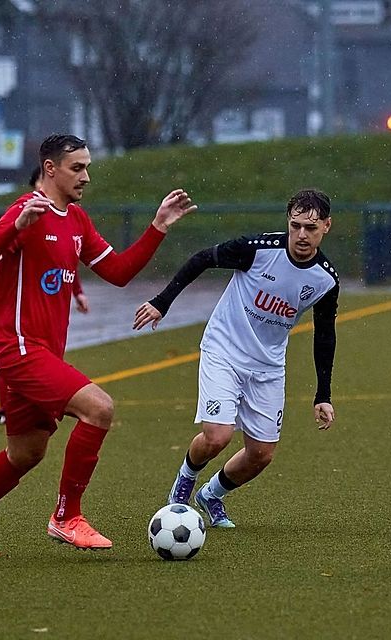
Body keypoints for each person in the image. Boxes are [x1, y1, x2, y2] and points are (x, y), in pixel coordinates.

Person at [0, 134, 196, 557]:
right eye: (77, 168)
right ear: (50, 169)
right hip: (18, 348)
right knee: (99, 408)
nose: (86, 176)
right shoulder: (26, 210)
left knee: (25, 453)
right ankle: (66, 517)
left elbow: (119, 272)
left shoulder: (76, 219)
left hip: (42, 354)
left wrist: (158, 226)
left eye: (87, 167)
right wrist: (15, 229)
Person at [133, 188, 339, 528]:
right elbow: (202, 258)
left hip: (268, 367)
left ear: (327, 226)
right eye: (296, 226)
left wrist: (323, 394)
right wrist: (162, 302)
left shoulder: (325, 279)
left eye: (311, 228)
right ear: (288, 223)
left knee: (261, 455)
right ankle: (184, 483)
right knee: (217, 436)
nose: (302, 235)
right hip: (224, 351)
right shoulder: (257, 250)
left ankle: (211, 495)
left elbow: (325, 334)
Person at [0, 167, 89, 425]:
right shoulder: (23, 213)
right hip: (19, 327)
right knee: (98, 409)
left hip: (47, 328)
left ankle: (21, 405)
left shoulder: (70, 218)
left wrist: (77, 292)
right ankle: (4, 407)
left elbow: (66, 262)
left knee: (28, 445)